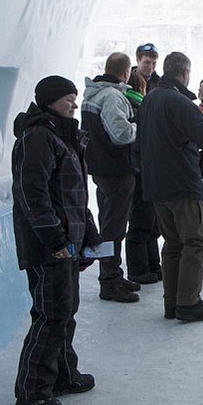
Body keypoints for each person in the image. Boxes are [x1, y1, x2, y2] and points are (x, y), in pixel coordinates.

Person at [12, 75, 99, 405]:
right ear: (49, 101)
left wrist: (88, 233)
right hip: (49, 248)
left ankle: (62, 374)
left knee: (65, 311)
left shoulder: (61, 136)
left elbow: (74, 194)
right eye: (68, 99)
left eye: (75, 99)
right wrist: (56, 240)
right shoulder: (37, 138)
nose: (73, 105)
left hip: (67, 244)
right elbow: (32, 194)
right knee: (51, 316)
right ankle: (32, 391)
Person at [137, 52, 203, 322]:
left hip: (156, 182)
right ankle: (189, 302)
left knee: (173, 242)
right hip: (180, 182)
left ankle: (172, 302)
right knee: (195, 241)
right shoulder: (178, 102)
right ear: (185, 73)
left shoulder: (150, 99)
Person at [81, 52, 140, 303]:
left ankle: (112, 273)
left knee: (108, 225)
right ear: (126, 72)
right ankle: (109, 282)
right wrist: (140, 125)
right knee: (114, 228)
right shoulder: (113, 96)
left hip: (100, 169)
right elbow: (121, 135)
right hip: (117, 170)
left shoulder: (92, 95)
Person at [124, 71, 162, 284]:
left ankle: (151, 267)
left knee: (149, 222)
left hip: (142, 170)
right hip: (141, 171)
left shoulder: (139, 106)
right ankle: (140, 270)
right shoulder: (137, 106)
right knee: (141, 222)